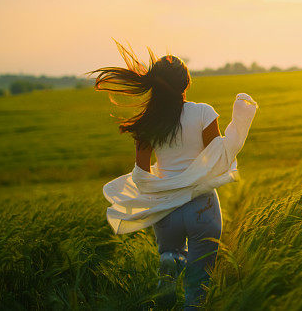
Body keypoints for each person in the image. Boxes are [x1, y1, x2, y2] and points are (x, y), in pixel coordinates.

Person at [89, 40, 258, 309]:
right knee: (200, 282)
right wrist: (237, 127)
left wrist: (167, 185)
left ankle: (171, 264)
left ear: (155, 85)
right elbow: (217, 157)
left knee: (169, 258)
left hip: (166, 208)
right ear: (186, 83)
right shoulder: (203, 112)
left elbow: (142, 174)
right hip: (202, 206)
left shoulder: (148, 123)